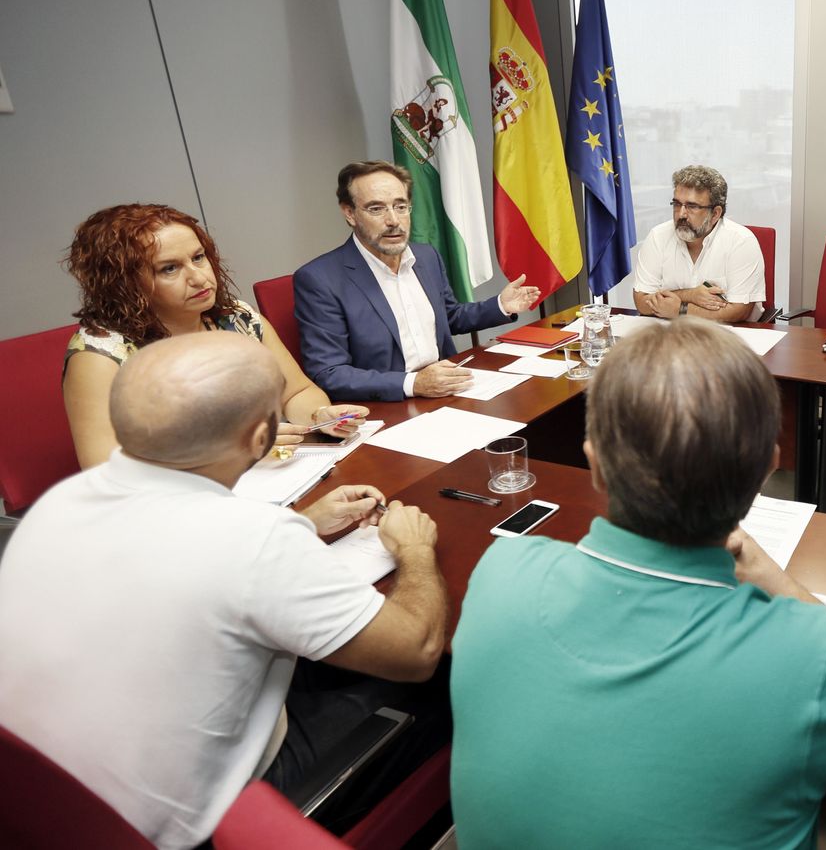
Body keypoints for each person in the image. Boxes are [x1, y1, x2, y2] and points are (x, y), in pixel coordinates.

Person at [450, 319, 826, 849]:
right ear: (765, 474)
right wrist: (781, 583)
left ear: (593, 466)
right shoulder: (809, 651)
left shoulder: (500, 569)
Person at [0, 332, 448, 849]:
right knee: (444, 680)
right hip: (199, 823)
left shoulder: (58, 504)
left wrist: (302, 524)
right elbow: (416, 651)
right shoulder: (253, 540)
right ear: (261, 438)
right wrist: (414, 551)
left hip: (59, 804)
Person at [61, 203, 368, 469]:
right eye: (169, 269)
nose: (198, 277)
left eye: (198, 257)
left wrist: (318, 416)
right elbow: (105, 468)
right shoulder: (99, 356)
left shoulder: (237, 317)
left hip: (268, 478)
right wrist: (234, 452)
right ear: (124, 284)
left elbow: (297, 393)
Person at [294, 160, 543, 402]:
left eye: (400, 206)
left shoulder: (426, 256)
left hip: (449, 391)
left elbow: (449, 316)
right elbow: (329, 373)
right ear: (350, 213)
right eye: (377, 208)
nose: (393, 220)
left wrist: (501, 305)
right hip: (388, 406)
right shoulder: (320, 279)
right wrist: (413, 384)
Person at [631, 164, 765, 322]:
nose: (681, 214)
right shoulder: (658, 236)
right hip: (670, 334)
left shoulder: (741, 242)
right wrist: (690, 295)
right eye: (676, 204)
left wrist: (680, 309)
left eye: (692, 206)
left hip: (732, 336)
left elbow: (738, 312)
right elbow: (642, 301)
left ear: (715, 213)